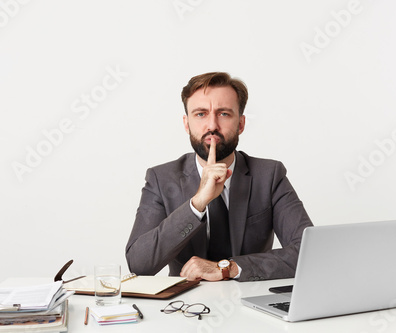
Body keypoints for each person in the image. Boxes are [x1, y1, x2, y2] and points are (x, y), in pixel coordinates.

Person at [125, 72, 313, 282]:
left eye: (224, 114)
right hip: (185, 307)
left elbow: (310, 253)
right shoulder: (161, 179)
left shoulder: (269, 175)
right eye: (200, 114)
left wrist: (229, 268)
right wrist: (196, 204)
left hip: (250, 302)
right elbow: (139, 264)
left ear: (241, 124)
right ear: (186, 124)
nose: (212, 125)